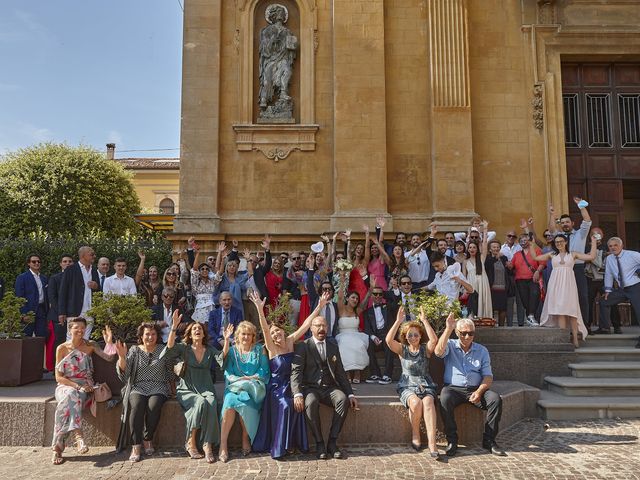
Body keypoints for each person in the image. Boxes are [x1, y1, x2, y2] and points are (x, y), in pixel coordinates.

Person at [251, 290, 331, 459]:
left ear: (283, 331)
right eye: (272, 333)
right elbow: (264, 328)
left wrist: (319, 307)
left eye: (277, 331)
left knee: (297, 404)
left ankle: (293, 443)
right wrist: (259, 308)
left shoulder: (290, 341)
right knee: (287, 405)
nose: (275, 334)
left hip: (293, 385)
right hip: (277, 389)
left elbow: (306, 324)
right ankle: (281, 446)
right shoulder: (271, 348)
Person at [435, 316, 505, 457]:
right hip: (453, 388)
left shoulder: (482, 350)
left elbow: (488, 376)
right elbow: (438, 352)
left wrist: (479, 392)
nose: (467, 336)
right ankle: (452, 441)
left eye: (471, 333)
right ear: (457, 332)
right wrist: (448, 328)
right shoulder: (450, 344)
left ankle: (489, 440)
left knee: (495, 400)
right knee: (444, 398)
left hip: (476, 388)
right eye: (463, 333)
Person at [291, 316, 359, 460]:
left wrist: (350, 394)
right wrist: (297, 394)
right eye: (317, 326)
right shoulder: (303, 346)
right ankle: (320, 443)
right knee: (310, 403)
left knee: (342, 399)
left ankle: (332, 442)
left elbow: (340, 372)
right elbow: (296, 372)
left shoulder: (333, 346)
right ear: (311, 328)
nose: (321, 329)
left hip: (330, 388)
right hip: (311, 388)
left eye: (323, 326)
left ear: (327, 328)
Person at [51, 318, 116, 465]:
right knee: (70, 395)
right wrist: (76, 386)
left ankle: (58, 448)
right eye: (76, 328)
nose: (80, 330)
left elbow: (110, 358)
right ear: (70, 330)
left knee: (66, 403)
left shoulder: (90, 345)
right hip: (66, 385)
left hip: (86, 387)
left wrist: (109, 342)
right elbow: (58, 377)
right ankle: (79, 437)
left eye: (83, 328)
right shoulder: (61, 348)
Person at [164, 315, 227, 463]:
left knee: (211, 403)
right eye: (194, 329)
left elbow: (222, 358)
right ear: (190, 334)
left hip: (206, 387)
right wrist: (174, 327)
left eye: (200, 329)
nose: (197, 330)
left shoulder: (209, 349)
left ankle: (207, 445)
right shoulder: (184, 348)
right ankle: (191, 442)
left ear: (204, 334)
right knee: (200, 403)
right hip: (187, 389)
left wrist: (226, 340)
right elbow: (170, 348)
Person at [386, 306, 440, 459]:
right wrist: (398, 321)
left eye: (416, 335)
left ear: (420, 335)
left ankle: (432, 443)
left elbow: (434, 340)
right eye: (410, 335)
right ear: (405, 336)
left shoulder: (425, 349)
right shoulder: (403, 349)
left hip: (425, 383)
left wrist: (424, 320)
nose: (413, 337)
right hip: (407, 384)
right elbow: (389, 341)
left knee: (428, 403)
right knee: (415, 403)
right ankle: (415, 433)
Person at [115, 322, 174, 462]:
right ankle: (136, 445)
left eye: (153, 334)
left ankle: (148, 439)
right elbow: (125, 374)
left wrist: (173, 388)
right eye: (147, 334)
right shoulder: (134, 350)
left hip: (158, 386)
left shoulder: (162, 349)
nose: (150, 337)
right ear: (141, 336)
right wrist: (122, 357)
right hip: (138, 386)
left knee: (154, 406)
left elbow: (170, 371)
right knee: (137, 405)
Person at [529, 233, 597, 347]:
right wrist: (531, 245)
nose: (559, 243)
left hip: (569, 285)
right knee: (560, 310)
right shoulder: (552, 254)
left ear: (565, 242)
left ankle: (575, 338)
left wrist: (594, 243)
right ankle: (564, 337)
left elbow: (591, 257)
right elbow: (535, 258)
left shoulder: (573, 254)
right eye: (557, 242)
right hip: (555, 285)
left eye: (561, 241)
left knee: (572, 311)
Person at [219, 321, 270, 463]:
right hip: (234, 386)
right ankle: (223, 444)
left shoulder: (260, 349)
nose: (246, 337)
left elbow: (264, 370)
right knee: (229, 401)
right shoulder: (232, 351)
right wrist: (241, 380)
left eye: (249, 334)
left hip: (254, 388)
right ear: (238, 335)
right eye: (243, 334)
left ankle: (245, 437)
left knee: (245, 400)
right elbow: (227, 372)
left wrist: (251, 379)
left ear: (253, 336)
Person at [549, 197, 592, 326]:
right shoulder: (558, 237)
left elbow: (587, 220)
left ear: (572, 223)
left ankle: (584, 325)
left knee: (582, 297)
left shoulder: (581, 234)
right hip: (562, 270)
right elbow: (551, 229)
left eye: (567, 222)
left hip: (577, 269)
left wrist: (581, 206)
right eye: (562, 223)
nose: (565, 224)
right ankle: (565, 326)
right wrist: (551, 214)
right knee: (563, 298)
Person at [598, 237, 640, 348]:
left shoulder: (632, 255)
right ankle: (605, 328)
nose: (613, 248)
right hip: (622, 290)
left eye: (615, 245)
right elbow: (609, 275)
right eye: (610, 246)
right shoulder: (609, 259)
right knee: (604, 301)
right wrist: (607, 290)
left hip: (635, 287)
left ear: (621, 246)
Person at [335, 270, 370, 384]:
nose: (355, 300)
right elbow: (339, 297)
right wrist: (342, 281)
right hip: (343, 335)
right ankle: (347, 373)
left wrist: (370, 290)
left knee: (358, 344)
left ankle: (357, 372)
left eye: (356, 298)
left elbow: (364, 303)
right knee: (344, 345)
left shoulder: (357, 311)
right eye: (353, 298)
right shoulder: (341, 308)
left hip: (356, 334)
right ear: (348, 298)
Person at [58, 246, 100, 339]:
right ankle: (72, 354)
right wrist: (61, 312)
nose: (94, 256)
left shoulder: (94, 270)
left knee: (86, 339)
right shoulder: (70, 269)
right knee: (71, 339)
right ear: (83, 256)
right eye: (91, 254)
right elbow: (63, 291)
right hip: (74, 310)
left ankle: (82, 354)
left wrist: (96, 286)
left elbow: (99, 290)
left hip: (90, 311)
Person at [363, 280, 394, 385]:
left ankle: (387, 375)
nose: (378, 296)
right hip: (375, 336)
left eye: (380, 294)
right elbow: (366, 327)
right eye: (375, 294)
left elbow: (394, 298)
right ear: (371, 295)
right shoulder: (368, 311)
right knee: (367, 343)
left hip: (387, 334)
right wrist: (372, 337)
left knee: (390, 343)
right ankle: (375, 373)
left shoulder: (388, 307)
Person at [510, 233, 545, 326]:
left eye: (525, 240)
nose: (523, 242)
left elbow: (542, 263)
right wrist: (508, 264)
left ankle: (531, 316)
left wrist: (537, 271)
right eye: (521, 241)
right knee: (525, 301)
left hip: (533, 279)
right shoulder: (517, 254)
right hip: (520, 280)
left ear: (529, 241)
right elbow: (511, 265)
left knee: (534, 296)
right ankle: (530, 318)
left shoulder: (537, 251)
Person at [47, 254, 74, 370]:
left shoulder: (76, 278)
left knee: (72, 343)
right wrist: (60, 313)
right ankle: (57, 368)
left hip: (73, 315)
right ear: (61, 264)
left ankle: (70, 368)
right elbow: (52, 298)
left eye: (70, 261)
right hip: (58, 316)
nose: (67, 263)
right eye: (65, 261)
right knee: (60, 342)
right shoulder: (55, 278)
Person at [15, 254, 49, 338]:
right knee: (26, 336)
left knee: (42, 336)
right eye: (34, 261)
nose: (36, 263)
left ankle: (39, 352)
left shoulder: (44, 278)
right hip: (28, 310)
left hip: (41, 310)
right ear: (29, 263)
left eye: (38, 261)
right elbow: (19, 297)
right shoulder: (22, 277)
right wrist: (24, 313)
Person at [463, 221, 492, 318]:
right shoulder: (465, 262)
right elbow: (463, 277)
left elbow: (484, 243)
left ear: (477, 249)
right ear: (467, 249)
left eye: (474, 247)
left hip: (482, 282)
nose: (472, 249)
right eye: (470, 247)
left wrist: (485, 229)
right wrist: (464, 289)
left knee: (482, 301)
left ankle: (483, 319)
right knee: (472, 304)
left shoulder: (481, 258)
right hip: (471, 284)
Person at [189, 243, 217, 324]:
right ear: (199, 271)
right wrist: (198, 254)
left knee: (211, 330)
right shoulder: (195, 281)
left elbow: (220, 273)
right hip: (200, 309)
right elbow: (194, 269)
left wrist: (221, 255)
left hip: (212, 308)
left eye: (207, 269)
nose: (205, 270)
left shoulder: (212, 281)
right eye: (202, 269)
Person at [485, 241, 511, 326]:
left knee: (503, 309)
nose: (496, 248)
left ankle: (501, 327)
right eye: (494, 247)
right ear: (490, 249)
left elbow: (508, 271)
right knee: (491, 308)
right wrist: (496, 257)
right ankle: (490, 325)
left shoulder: (504, 258)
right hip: (491, 288)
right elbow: (488, 266)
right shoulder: (487, 258)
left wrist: (510, 266)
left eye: (497, 247)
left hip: (503, 288)